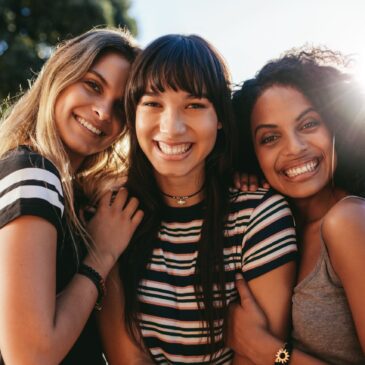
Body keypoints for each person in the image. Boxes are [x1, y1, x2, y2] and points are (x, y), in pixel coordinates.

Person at [98, 34, 298, 364]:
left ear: (220, 118)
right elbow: (126, 358)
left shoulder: (259, 214)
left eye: (194, 105)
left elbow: (257, 356)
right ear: (133, 113)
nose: (171, 127)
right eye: (152, 103)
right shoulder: (113, 215)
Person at [0, 28, 144, 364]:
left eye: (121, 106)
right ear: (61, 75)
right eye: (93, 85)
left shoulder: (63, 188)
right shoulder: (34, 172)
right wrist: (100, 256)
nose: (104, 113)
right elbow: (29, 356)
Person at [230, 48, 365, 364]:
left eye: (308, 124)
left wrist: (263, 348)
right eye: (269, 138)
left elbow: (265, 350)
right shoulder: (273, 225)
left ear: (335, 126)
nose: (295, 148)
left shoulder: (347, 221)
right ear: (253, 155)